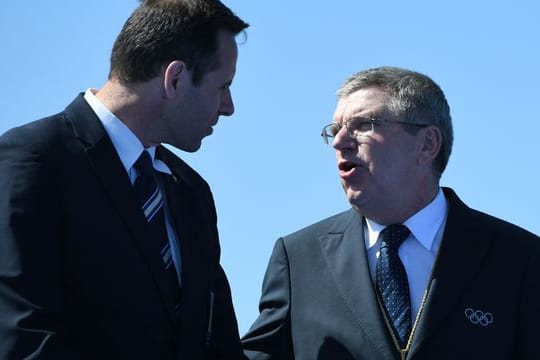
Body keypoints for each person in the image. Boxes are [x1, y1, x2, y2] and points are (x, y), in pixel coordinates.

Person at [0, 0, 248, 358]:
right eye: (223, 86)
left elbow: (220, 345)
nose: (228, 106)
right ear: (175, 79)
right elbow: (22, 337)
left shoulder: (191, 191)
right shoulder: (32, 161)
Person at [241, 66, 540, 359]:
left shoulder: (520, 257)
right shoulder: (299, 259)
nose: (339, 142)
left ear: (427, 144)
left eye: (362, 125)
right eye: (335, 130)